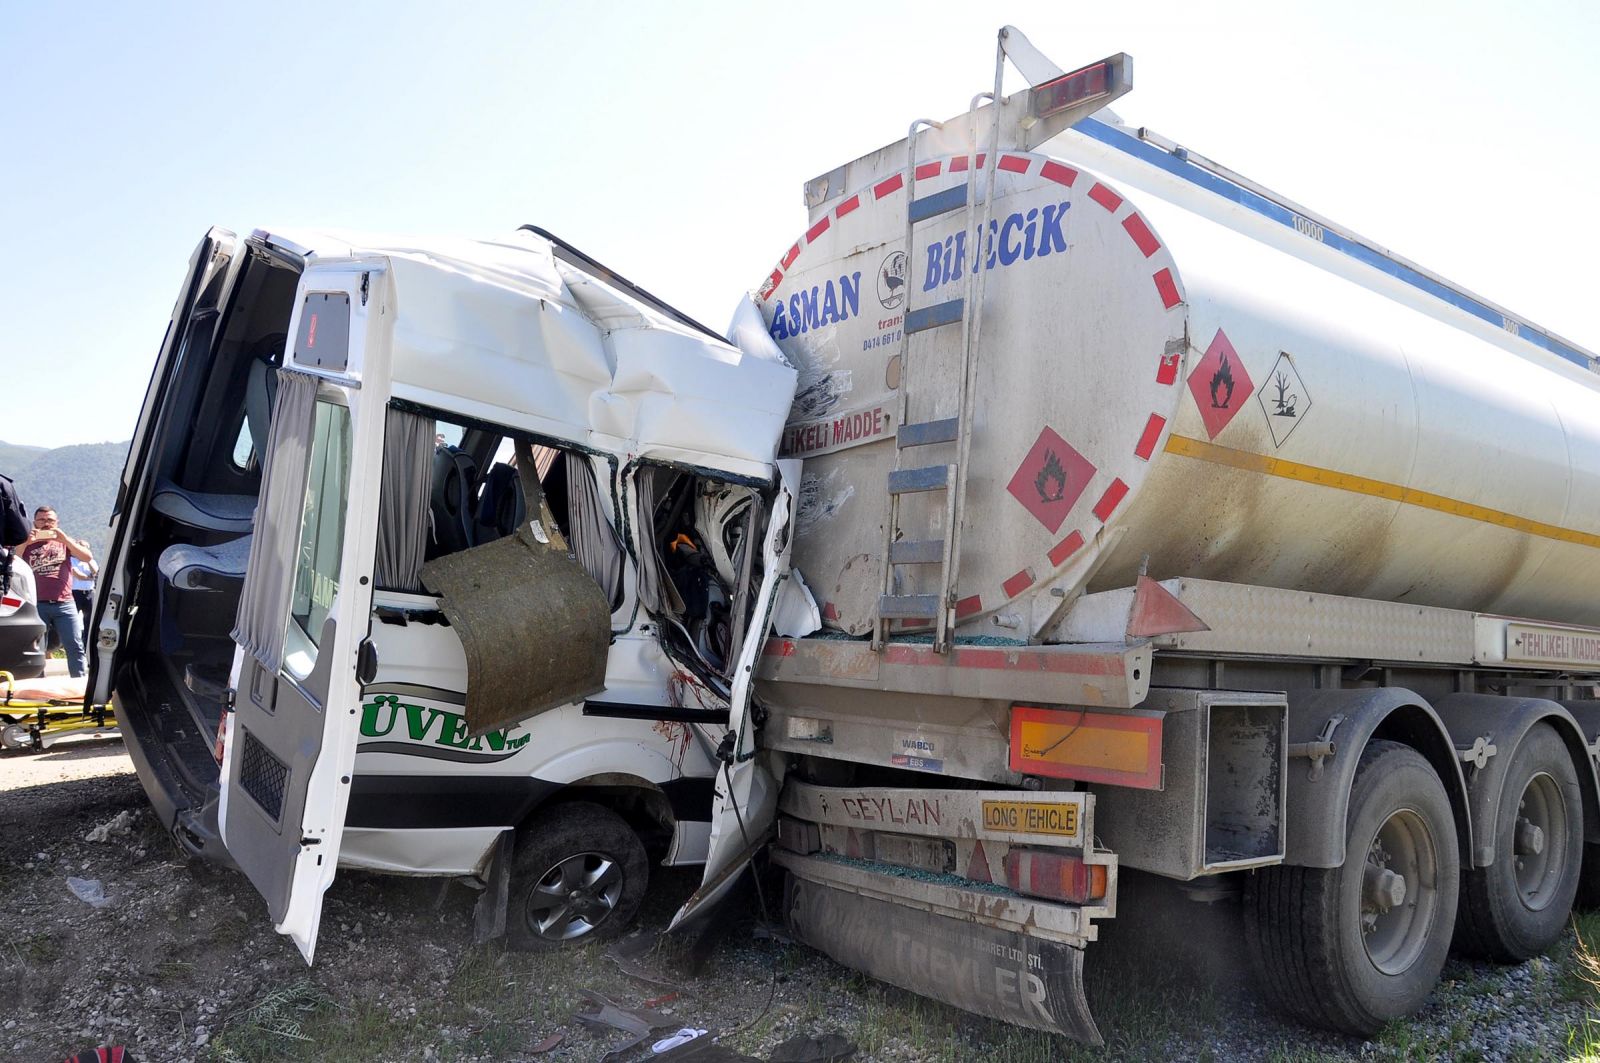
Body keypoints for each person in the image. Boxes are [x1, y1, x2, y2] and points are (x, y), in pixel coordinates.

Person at [21, 507, 93, 678]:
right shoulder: (27, 544)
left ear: (57, 522)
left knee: (75, 646)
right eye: (42, 520)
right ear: (34, 523)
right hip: (37, 604)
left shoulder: (64, 543)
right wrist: (26, 543)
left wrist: (65, 539)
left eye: (50, 520)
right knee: (37, 649)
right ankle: (38, 684)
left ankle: (79, 684)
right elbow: (14, 559)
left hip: (65, 603)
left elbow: (87, 557)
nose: (46, 524)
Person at [71, 546, 98, 653]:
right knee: (72, 621)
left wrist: (89, 561)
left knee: (89, 621)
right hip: (75, 592)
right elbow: (78, 575)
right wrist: (91, 577)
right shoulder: (71, 560)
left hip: (89, 593)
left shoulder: (91, 562)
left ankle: (87, 646)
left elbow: (95, 572)